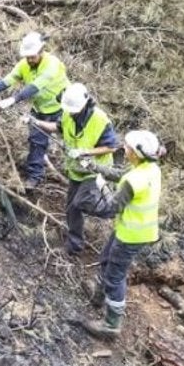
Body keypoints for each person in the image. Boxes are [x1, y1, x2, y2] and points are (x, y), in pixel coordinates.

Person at [79, 129, 164, 340]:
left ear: (135, 153)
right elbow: (122, 175)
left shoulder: (134, 180)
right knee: (106, 259)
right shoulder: (149, 168)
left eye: (126, 147)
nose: (123, 149)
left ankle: (111, 325)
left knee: (115, 277)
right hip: (134, 229)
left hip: (131, 235)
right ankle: (98, 296)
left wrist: (103, 187)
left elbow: (111, 207)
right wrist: (93, 166)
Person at [0, 31, 69, 190]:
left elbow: (35, 86)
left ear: (41, 51)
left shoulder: (52, 64)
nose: (29, 60)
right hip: (41, 110)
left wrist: (13, 100)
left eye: (32, 56)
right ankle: (34, 177)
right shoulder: (24, 64)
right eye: (27, 57)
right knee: (36, 142)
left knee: (72, 139)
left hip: (64, 109)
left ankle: (81, 172)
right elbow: (5, 82)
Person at [52, 82, 120, 255]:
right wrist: (34, 121)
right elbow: (57, 127)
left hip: (97, 169)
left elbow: (112, 146)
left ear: (85, 105)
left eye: (74, 110)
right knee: (71, 209)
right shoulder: (68, 113)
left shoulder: (100, 119)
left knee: (80, 201)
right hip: (77, 170)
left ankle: (113, 209)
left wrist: (85, 152)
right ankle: (74, 245)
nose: (71, 113)